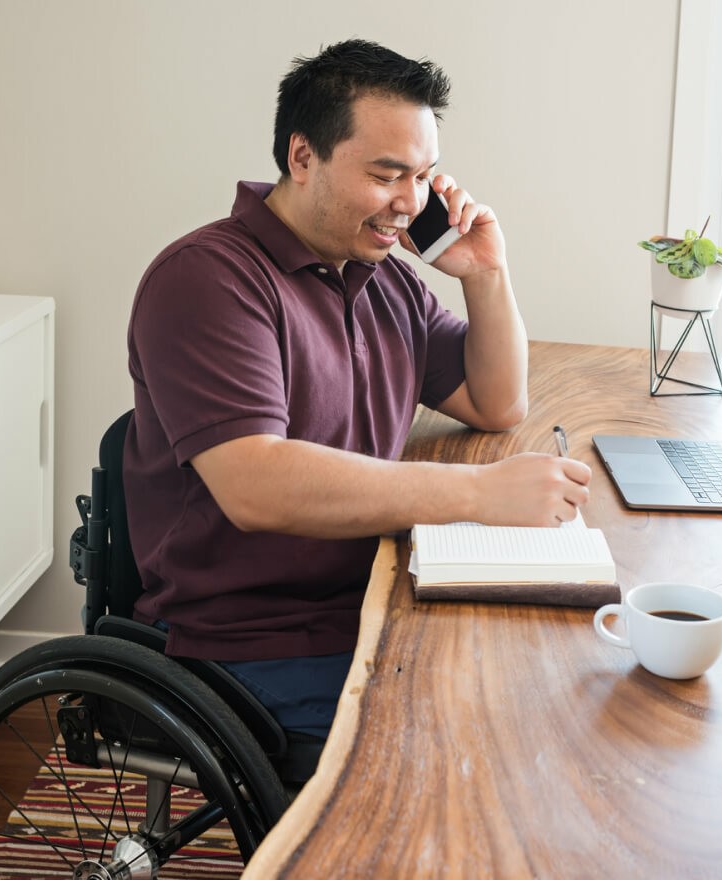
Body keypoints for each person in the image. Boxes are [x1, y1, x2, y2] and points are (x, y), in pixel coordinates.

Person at [124, 39, 590, 740]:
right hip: (251, 636)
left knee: (541, 690)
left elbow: (496, 402)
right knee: (472, 748)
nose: (410, 203)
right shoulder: (207, 280)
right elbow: (257, 485)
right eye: (386, 174)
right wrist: (479, 495)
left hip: (372, 589)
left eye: (424, 176)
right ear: (302, 156)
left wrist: (484, 274)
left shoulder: (380, 275)